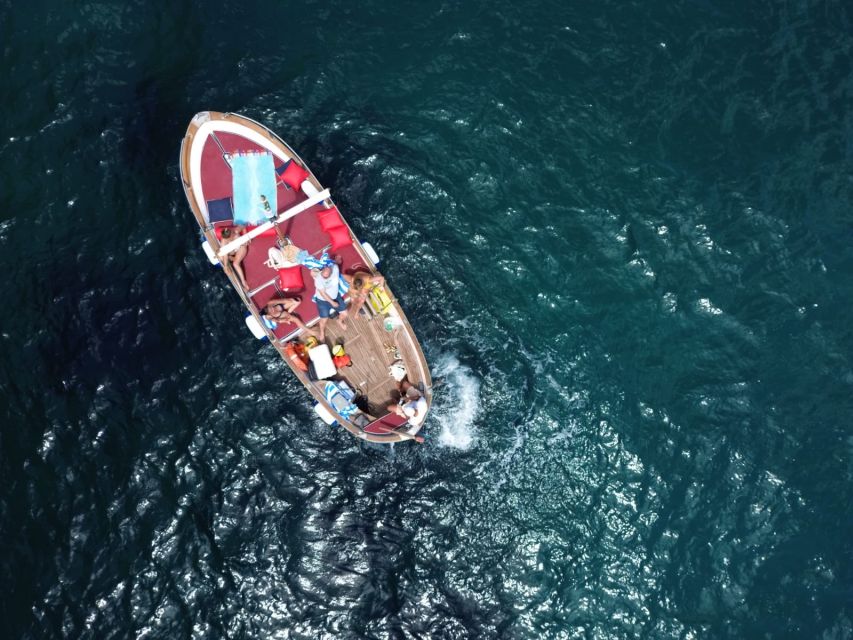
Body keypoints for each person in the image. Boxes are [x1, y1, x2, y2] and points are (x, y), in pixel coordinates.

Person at [311, 263, 348, 342]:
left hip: (335, 297)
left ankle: (340, 321)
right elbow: (323, 294)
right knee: (324, 319)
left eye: (326, 276)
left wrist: (337, 260)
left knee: (345, 313)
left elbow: (335, 264)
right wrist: (332, 303)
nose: (324, 277)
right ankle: (322, 333)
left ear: (331, 272)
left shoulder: (335, 268)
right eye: (323, 275)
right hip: (323, 301)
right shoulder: (318, 279)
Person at [220, 225, 249, 290]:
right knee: (222, 257)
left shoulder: (235, 231)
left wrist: (245, 237)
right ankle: (235, 259)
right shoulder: (224, 241)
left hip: (241, 246)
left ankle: (243, 282)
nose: (233, 233)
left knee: (235, 264)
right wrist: (225, 266)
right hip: (234, 250)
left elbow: (243, 226)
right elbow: (225, 254)